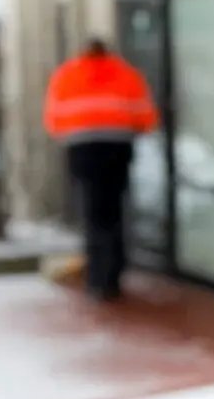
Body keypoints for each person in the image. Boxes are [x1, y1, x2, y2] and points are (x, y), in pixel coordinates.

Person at [43, 37, 159, 300]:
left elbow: (53, 120)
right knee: (115, 209)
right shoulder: (126, 74)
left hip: (83, 150)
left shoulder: (67, 75)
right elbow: (146, 117)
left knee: (92, 212)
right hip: (117, 148)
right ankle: (113, 273)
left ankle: (97, 278)